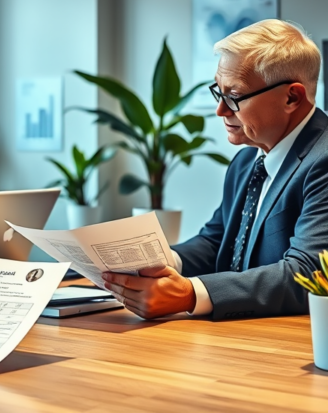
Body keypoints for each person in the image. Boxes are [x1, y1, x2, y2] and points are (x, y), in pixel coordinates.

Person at [103, 19, 328, 320]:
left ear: (292, 97)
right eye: (218, 92)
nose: (220, 110)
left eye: (234, 97)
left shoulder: (323, 160)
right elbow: (216, 241)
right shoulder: (247, 160)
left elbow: (309, 274)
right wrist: (157, 263)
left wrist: (190, 293)